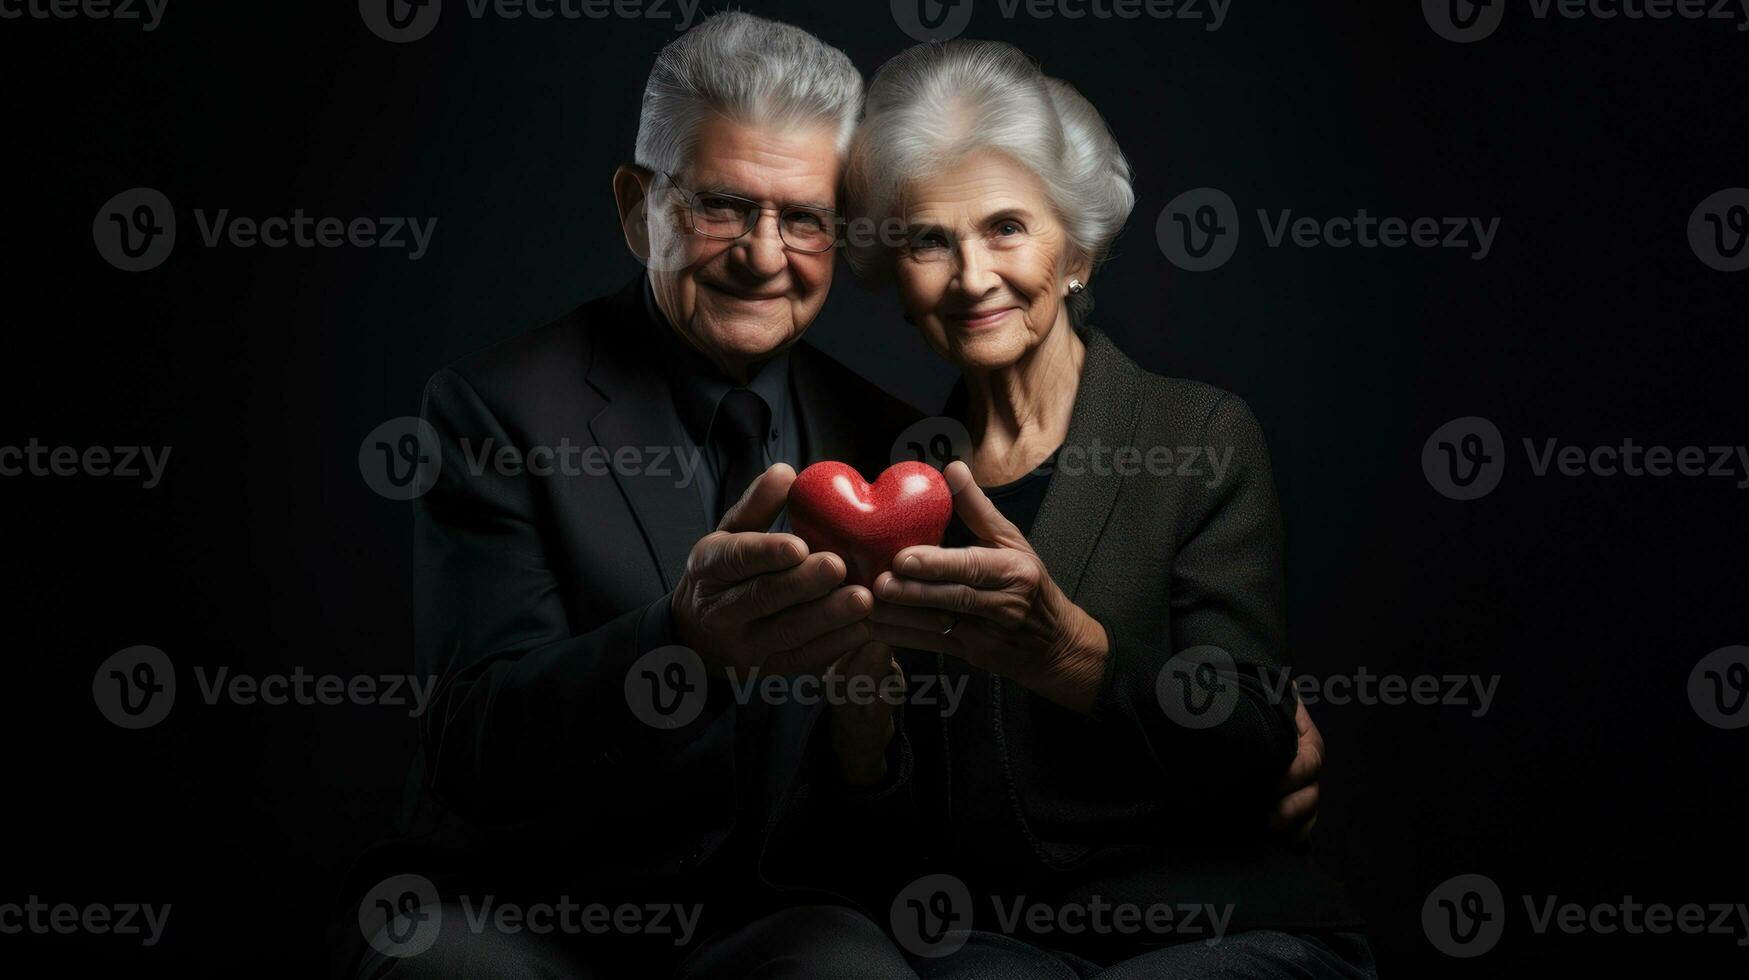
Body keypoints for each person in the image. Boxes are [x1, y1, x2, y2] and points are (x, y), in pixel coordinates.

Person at [337, 13, 922, 978]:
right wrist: (682, 646)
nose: (764, 256)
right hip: (514, 912)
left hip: (762, 923)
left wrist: (868, 745)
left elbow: (914, 821)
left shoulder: (894, 444)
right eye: (722, 206)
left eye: (805, 217)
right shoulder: (495, 410)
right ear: (634, 207)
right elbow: (470, 743)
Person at [795, 39, 1375, 977]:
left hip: (1212, 931)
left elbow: (1257, 740)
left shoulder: (1198, 435)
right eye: (929, 242)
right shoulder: (890, 489)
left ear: (1078, 248)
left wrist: (1069, 653)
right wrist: (862, 725)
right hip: (996, 945)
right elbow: (882, 845)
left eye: (1006, 228)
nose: (972, 275)